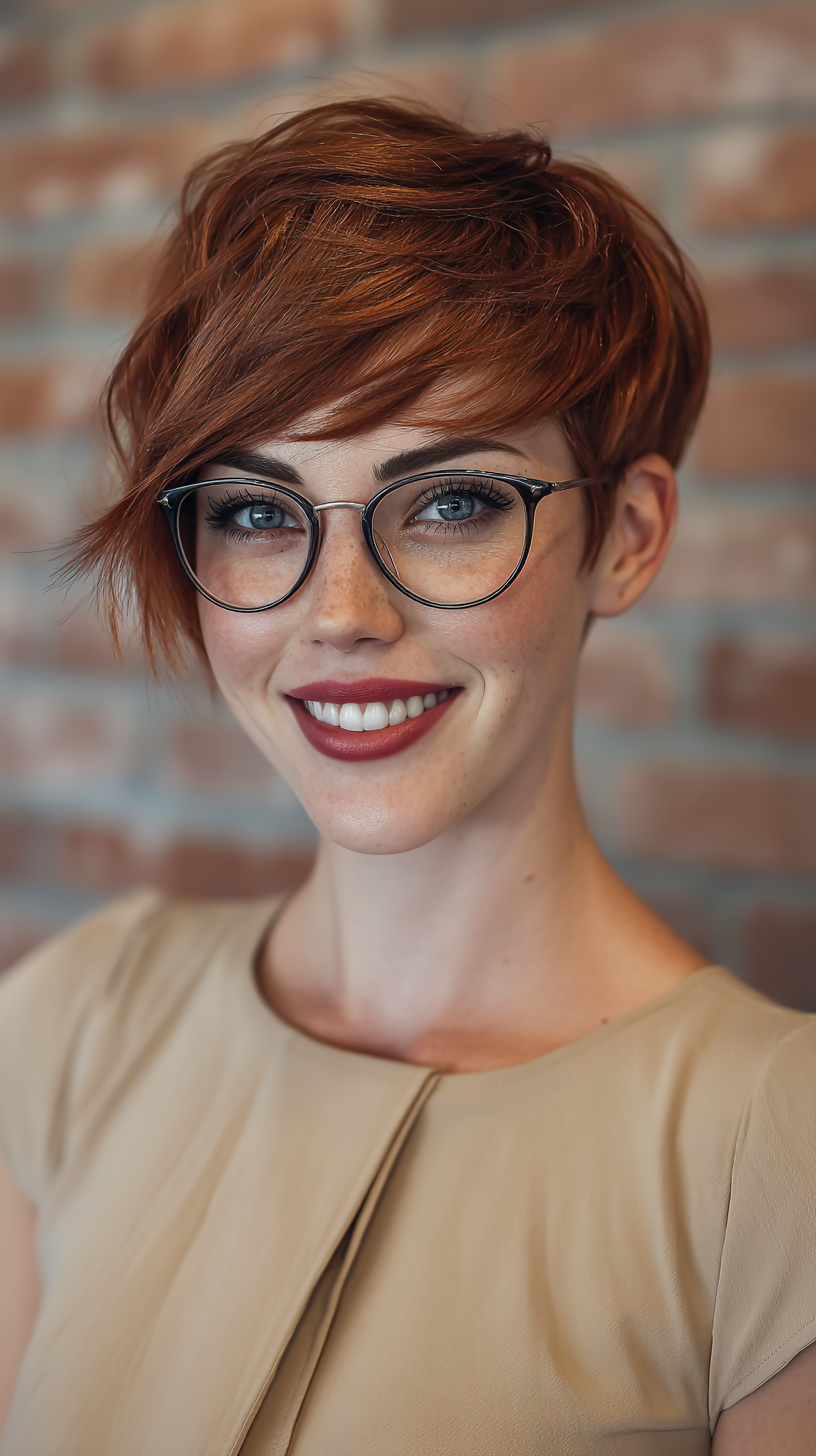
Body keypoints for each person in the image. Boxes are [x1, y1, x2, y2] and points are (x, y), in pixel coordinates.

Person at [0, 99, 814, 1456]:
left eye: (448, 503)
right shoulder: (69, 1025)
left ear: (625, 533)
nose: (340, 613)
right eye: (260, 512)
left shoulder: (774, 1154)